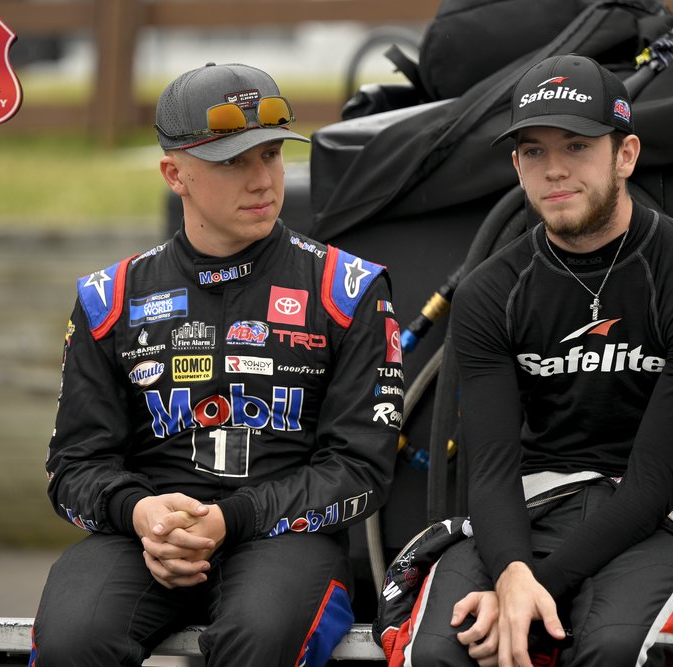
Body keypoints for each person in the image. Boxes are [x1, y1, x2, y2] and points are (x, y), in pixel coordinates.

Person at [29, 62, 404, 667]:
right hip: (144, 537)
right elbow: (74, 466)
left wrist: (231, 519)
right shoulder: (111, 298)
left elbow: (362, 469)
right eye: (233, 161)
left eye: (272, 154)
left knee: (258, 639)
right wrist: (140, 512)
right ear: (174, 173)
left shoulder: (349, 288)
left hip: (286, 537)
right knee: (74, 638)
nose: (262, 180)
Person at [383, 54, 673, 666]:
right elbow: (490, 468)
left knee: (618, 648)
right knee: (441, 649)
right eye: (532, 150)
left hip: (656, 515)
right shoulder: (490, 290)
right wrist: (513, 572)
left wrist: (534, 590)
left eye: (576, 145)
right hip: (525, 508)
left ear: (625, 155)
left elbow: (656, 479)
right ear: (515, 163)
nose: (554, 170)